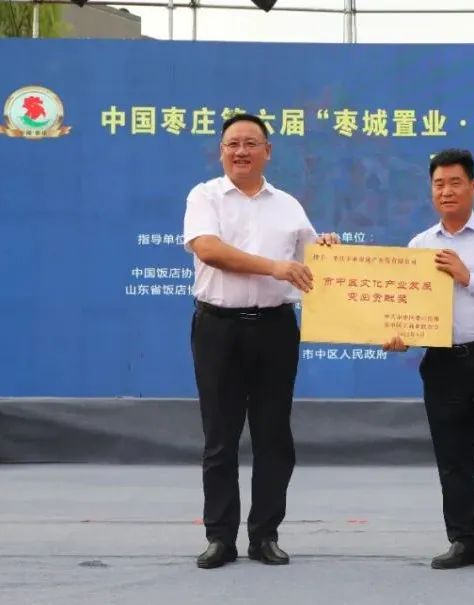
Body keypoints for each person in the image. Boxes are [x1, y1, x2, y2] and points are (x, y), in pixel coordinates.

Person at [182, 113, 338, 569]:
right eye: (233, 143)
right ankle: (220, 537)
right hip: (218, 328)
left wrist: (330, 249)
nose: (241, 151)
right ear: (221, 152)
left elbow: (312, 264)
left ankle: (265, 535)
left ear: (268, 152)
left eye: (251, 143)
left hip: (275, 329)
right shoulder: (204, 196)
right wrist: (274, 267)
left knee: (274, 437)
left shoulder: (288, 205)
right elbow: (208, 249)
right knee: (220, 437)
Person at [383, 148, 474, 575]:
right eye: (438, 184)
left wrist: (469, 278)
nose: (446, 191)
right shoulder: (420, 245)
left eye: (454, 183)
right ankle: (464, 539)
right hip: (442, 362)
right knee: (452, 454)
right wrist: (400, 335)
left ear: (473, 186)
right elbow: (409, 308)